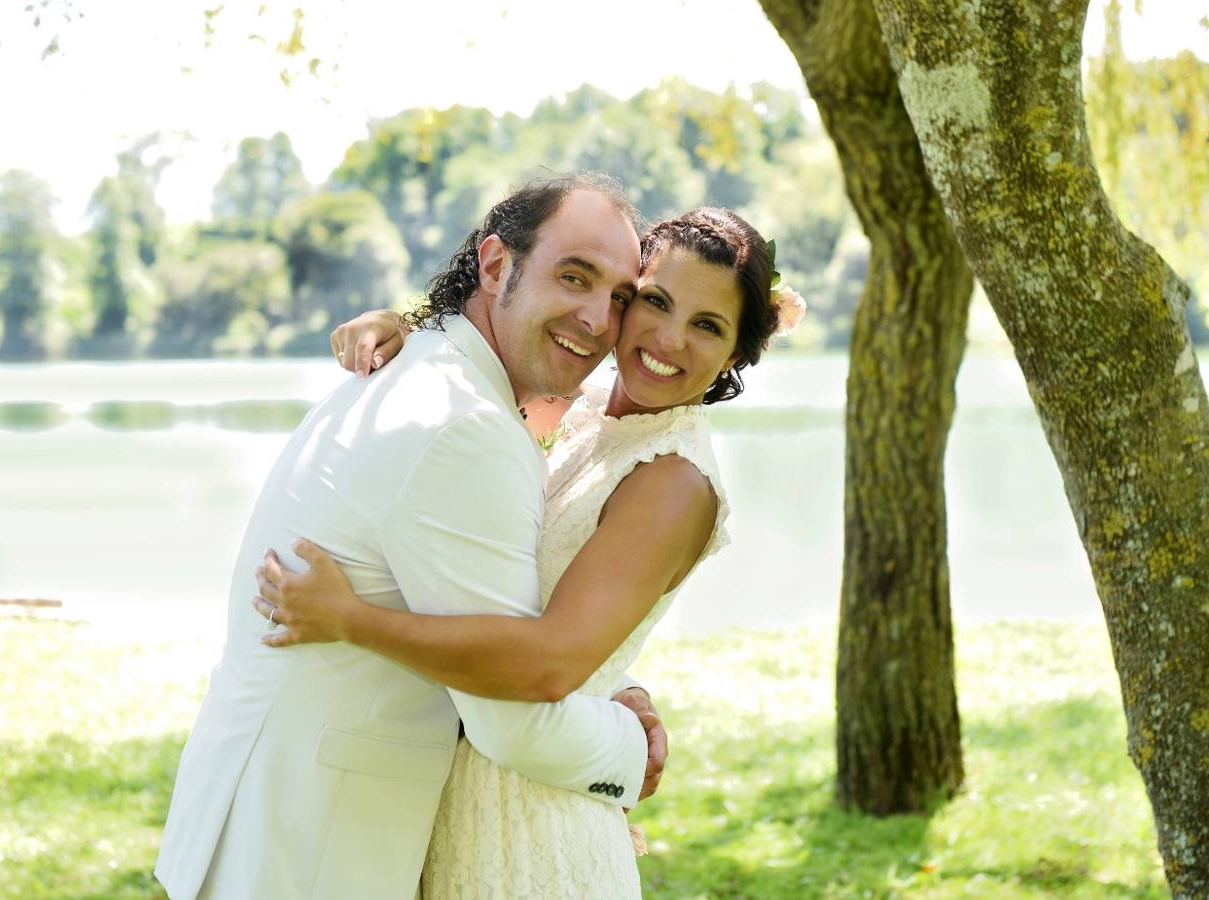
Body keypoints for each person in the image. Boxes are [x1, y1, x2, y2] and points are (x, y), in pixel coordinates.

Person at [252, 206, 805, 898]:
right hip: (452, 799)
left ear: (735, 356)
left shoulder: (673, 480)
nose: (667, 337)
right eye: (653, 302)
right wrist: (413, 338)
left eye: (707, 325)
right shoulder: (582, 406)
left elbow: (548, 663)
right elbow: (468, 399)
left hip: (534, 827)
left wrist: (350, 620)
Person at [155, 174, 670, 900]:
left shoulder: (421, 369)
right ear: (495, 266)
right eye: (573, 277)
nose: (596, 319)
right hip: (309, 859)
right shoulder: (464, 428)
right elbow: (512, 724)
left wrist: (610, 680)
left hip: (263, 832)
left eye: (619, 297)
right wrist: (629, 747)